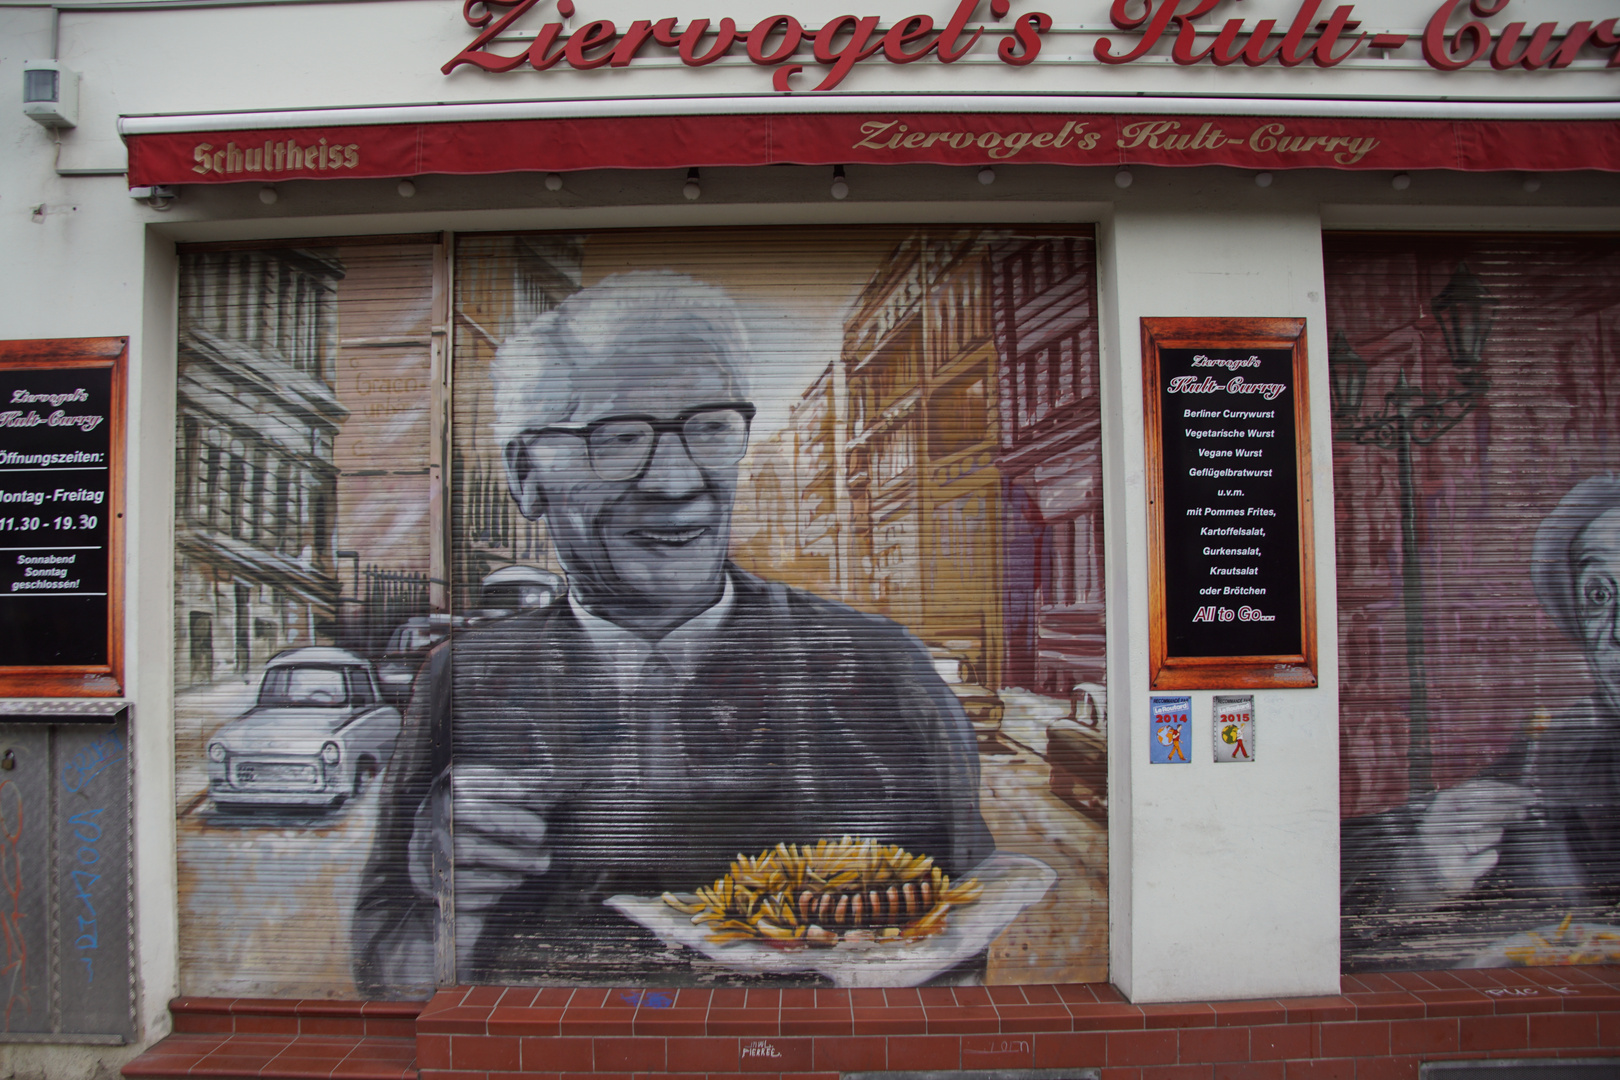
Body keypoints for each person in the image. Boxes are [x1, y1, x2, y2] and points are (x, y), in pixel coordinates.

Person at [353, 271, 995, 992]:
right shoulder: (465, 680)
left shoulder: (883, 669)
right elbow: (390, 982)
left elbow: (962, 957)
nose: (675, 479)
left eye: (710, 427)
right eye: (616, 437)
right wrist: (448, 897)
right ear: (525, 474)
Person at [1341, 474, 1620, 967]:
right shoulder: (1556, 751)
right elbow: (1346, 863)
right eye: (1598, 596)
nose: (1616, 632)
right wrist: (1415, 877)